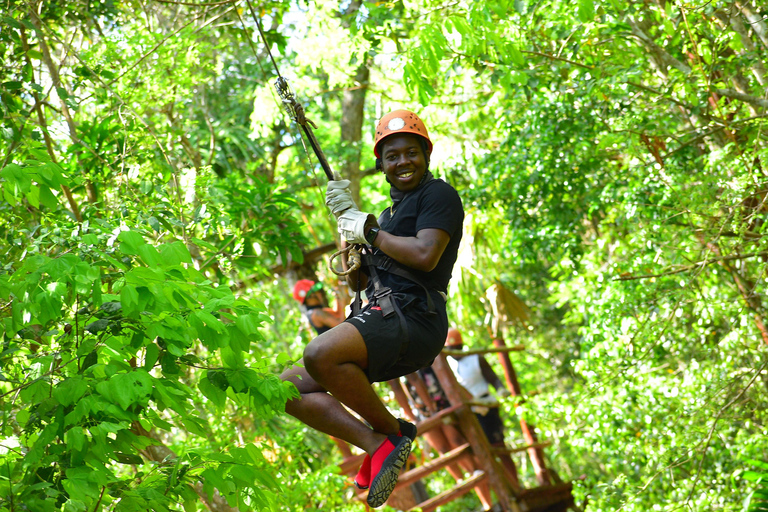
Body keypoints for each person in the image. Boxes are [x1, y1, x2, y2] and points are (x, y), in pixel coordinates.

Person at [280, 109, 464, 508]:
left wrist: (369, 230)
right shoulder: (386, 216)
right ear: (380, 164)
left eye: (411, 153)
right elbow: (359, 283)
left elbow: (426, 254)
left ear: (426, 155)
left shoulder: (438, 195)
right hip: (383, 314)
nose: (403, 162)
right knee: (285, 388)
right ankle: (378, 440)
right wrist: (351, 238)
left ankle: (391, 436)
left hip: (416, 317)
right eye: (393, 156)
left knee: (319, 353)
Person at [444, 327, 519, 485]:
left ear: (461, 345)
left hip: (486, 407)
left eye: (455, 347)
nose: (453, 352)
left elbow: (493, 378)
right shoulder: (446, 365)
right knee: (481, 453)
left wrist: (501, 390)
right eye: (450, 349)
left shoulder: (475, 358)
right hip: (467, 412)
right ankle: (501, 486)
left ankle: (515, 484)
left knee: (500, 448)